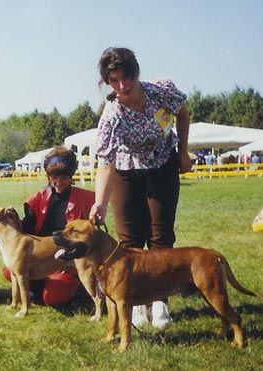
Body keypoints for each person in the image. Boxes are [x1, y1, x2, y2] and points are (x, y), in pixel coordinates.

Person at [90, 47, 192, 330]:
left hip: (162, 166)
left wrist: (183, 153)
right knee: (129, 239)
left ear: (137, 72)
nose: (122, 86)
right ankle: (134, 303)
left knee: (161, 236)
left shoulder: (162, 91)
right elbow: (106, 163)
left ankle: (160, 300)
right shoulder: (112, 114)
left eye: (127, 77)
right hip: (126, 172)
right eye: (114, 80)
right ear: (107, 82)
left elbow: (182, 116)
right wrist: (100, 203)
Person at [1, 146, 95, 306]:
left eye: (64, 178)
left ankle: (76, 284)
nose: (58, 183)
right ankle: (40, 286)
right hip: (40, 259)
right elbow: (25, 232)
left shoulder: (86, 199)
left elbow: (93, 237)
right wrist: (13, 218)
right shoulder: (37, 199)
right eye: (54, 178)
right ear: (48, 176)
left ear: (71, 175)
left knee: (53, 298)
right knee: (8, 270)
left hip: (69, 260)